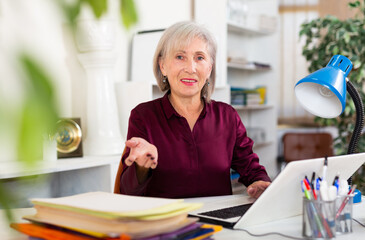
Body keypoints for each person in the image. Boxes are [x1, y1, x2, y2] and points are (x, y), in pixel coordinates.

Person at [115, 21, 271, 199]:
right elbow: (127, 192)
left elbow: (250, 167)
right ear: (163, 65)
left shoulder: (227, 116)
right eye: (180, 57)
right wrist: (141, 167)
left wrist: (259, 182)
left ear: (209, 68)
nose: (191, 68)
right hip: (167, 223)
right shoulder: (143, 116)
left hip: (218, 223)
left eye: (199, 58)